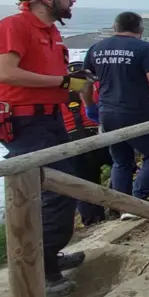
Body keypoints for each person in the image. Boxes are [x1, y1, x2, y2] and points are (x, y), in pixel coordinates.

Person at [0, 0, 95, 297]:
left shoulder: (50, 33)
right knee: (53, 193)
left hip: (49, 119)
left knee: (64, 188)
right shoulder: (14, 26)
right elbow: (4, 72)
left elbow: (45, 73)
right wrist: (62, 82)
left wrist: (70, 80)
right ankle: (41, 271)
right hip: (25, 123)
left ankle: (49, 257)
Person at [85, 12, 149, 204]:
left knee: (121, 160)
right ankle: (139, 199)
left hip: (107, 111)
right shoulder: (144, 48)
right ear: (140, 29)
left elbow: (84, 82)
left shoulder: (96, 48)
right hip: (137, 109)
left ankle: (121, 206)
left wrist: (90, 106)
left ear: (115, 27)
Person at [58, 66, 110, 226]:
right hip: (96, 136)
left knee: (84, 182)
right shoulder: (96, 86)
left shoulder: (58, 94)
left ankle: (93, 221)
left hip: (71, 141)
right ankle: (121, 205)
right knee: (123, 165)